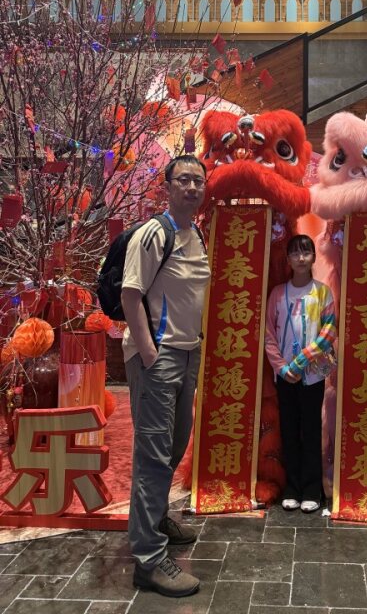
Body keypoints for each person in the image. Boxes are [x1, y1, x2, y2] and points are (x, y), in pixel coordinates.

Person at [121, 155, 211, 598]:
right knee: (154, 453)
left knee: (175, 442)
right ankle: (148, 559)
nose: (192, 187)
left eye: (198, 180)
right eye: (184, 180)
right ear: (168, 186)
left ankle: (153, 517)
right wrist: (151, 353)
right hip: (159, 356)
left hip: (187, 354)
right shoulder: (154, 233)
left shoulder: (195, 232)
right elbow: (130, 294)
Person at [264, 234, 336, 513]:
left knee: (311, 430)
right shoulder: (277, 293)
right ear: (288, 259)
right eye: (295, 253)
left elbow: (328, 332)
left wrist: (301, 362)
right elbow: (268, 333)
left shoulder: (323, 292)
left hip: (312, 375)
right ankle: (292, 488)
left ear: (314, 258)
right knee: (289, 431)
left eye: (306, 253)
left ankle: (312, 490)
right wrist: (282, 367)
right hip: (284, 376)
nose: (301, 258)